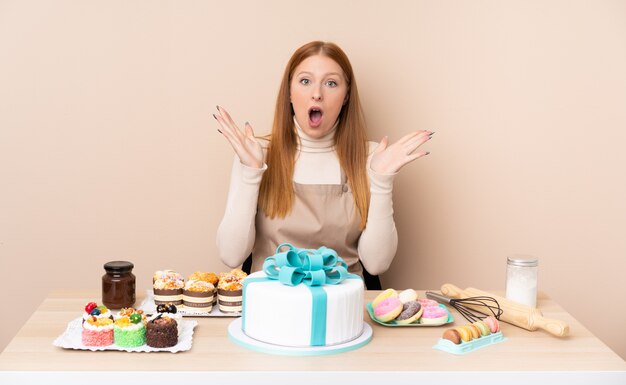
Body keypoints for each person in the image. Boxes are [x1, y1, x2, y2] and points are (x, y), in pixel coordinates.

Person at [213, 41, 432, 286]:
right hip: (270, 310)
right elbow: (231, 255)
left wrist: (381, 179)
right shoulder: (256, 152)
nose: (317, 93)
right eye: (305, 81)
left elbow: (376, 264)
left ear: (346, 95)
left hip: (345, 312)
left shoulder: (373, 157)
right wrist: (251, 172)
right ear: (289, 91)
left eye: (331, 83)